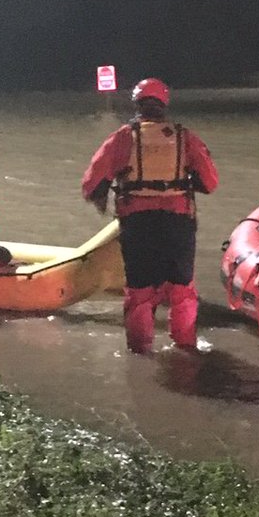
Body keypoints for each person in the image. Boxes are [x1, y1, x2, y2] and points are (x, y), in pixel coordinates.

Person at [81, 77, 219, 353]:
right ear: (164, 104)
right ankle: (185, 347)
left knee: (140, 292)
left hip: (138, 226)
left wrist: (109, 193)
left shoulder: (122, 138)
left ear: (138, 104)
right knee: (182, 290)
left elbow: (91, 185)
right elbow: (210, 183)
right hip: (178, 224)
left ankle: (141, 352)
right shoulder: (184, 137)